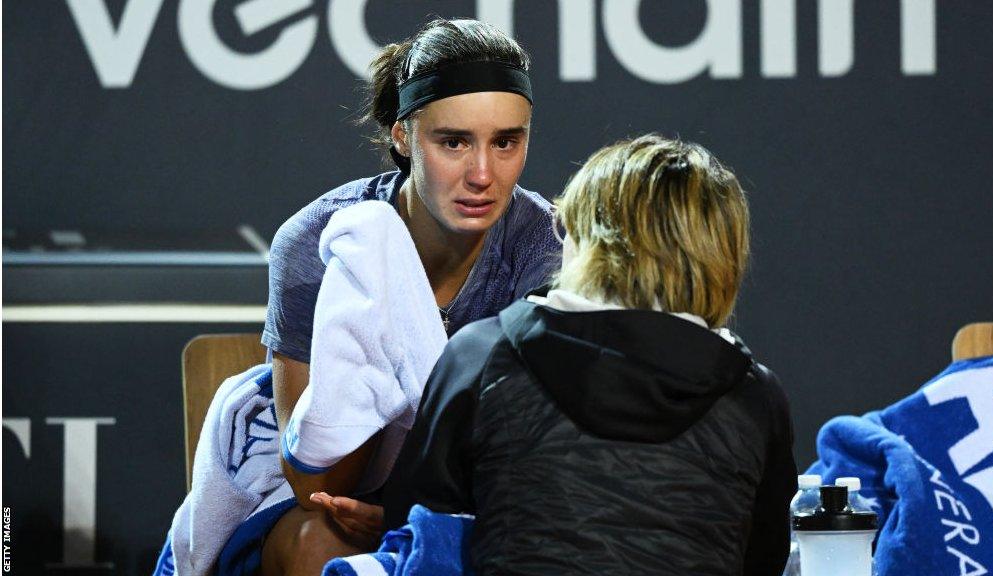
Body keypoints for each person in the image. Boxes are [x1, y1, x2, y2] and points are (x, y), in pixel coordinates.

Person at [382, 134, 798, 575]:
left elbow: (421, 538)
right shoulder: (755, 395)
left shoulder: (483, 356)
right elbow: (763, 560)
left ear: (587, 239)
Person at [257, 18, 561, 576]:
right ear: (402, 136)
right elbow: (314, 483)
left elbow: (536, 461)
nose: (482, 174)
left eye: (506, 142)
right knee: (312, 542)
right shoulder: (314, 245)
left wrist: (408, 510)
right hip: (345, 507)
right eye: (453, 142)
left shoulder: (549, 248)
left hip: (488, 512)